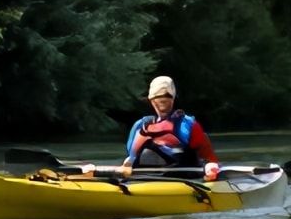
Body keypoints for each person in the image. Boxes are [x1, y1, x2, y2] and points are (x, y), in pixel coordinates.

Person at [88, 76, 221, 179]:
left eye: (165, 99)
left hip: (182, 181)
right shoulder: (141, 126)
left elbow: (210, 159)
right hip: (142, 181)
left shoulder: (188, 125)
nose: (162, 103)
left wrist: (211, 168)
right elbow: (131, 159)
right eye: (158, 99)